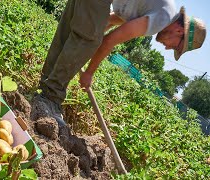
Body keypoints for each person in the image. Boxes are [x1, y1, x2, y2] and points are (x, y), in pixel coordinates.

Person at [31, 0, 206, 125]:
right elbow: (109, 41)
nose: (168, 48)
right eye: (177, 46)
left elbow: (110, 20)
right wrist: (89, 73)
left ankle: (45, 87)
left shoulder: (159, 8)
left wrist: (93, 32)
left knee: (69, 33)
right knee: (89, 40)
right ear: (179, 30)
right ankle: (50, 97)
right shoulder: (162, 18)